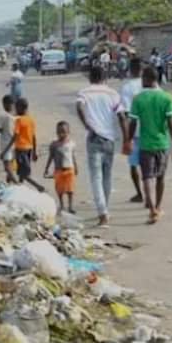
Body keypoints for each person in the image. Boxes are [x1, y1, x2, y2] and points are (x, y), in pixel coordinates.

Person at [125, 66, 172, 225]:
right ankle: (157, 206)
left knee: (147, 177)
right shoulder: (167, 98)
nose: (141, 81)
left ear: (149, 79)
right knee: (161, 177)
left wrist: (129, 140)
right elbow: (171, 123)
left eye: (143, 78)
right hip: (162, 144)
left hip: (145, 145)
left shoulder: (138, 99)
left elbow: (133, 123)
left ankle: (152, 210)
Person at [76, 66, 128, 227]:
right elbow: (122, 116)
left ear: (90, 78)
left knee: (96, 177)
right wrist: (127, 139)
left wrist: (86, 124)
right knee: (106, 176)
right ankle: (104, 209)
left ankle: (103, 212)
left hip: (93, 138)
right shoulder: (112, 93)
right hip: (109, 139)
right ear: (104, 78)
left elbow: (79, 106)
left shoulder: (84, 93)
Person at [0, 97, 45, 192]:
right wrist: (34, 152)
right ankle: (20, 188)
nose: (15, 110)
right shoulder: (31, 120)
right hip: (29, 149)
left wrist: (5, 151)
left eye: (16, 108)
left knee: (22, 173)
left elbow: (15, 136)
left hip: (20, 149)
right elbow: (34, 137)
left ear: (20, 108)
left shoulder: (19, 121)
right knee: (22, 170)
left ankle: (38, 186)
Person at [120, 58, 144, 203]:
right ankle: (151, 193)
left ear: (130, 69)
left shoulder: (127, 87)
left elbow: (127, 114)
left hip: (135, 132)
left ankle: (140, 193)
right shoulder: (151, 84)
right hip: (151, 131)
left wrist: (127, 137)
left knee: (134, 164)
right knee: (149, 164)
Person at [44, 121, 79, 214]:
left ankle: (70, 206)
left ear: (68, 132)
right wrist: (46, 168)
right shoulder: (54, 144)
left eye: (63, 131)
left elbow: (73, 156)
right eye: (59, 132)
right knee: (59, 189)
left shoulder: (71, 144)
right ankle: (62, 204)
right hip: (58, 170)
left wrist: (76, 167)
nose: (61, 134)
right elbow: (51, 157)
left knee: (70, 189)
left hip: (69, 169)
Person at [0, 94, 18, 183]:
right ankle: (9, 183)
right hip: (15, 144)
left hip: (6, 144)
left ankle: (17, 184)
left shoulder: (3, 116)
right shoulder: (16, 116)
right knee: (11, 166)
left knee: (7, 167)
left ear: (5, 104)